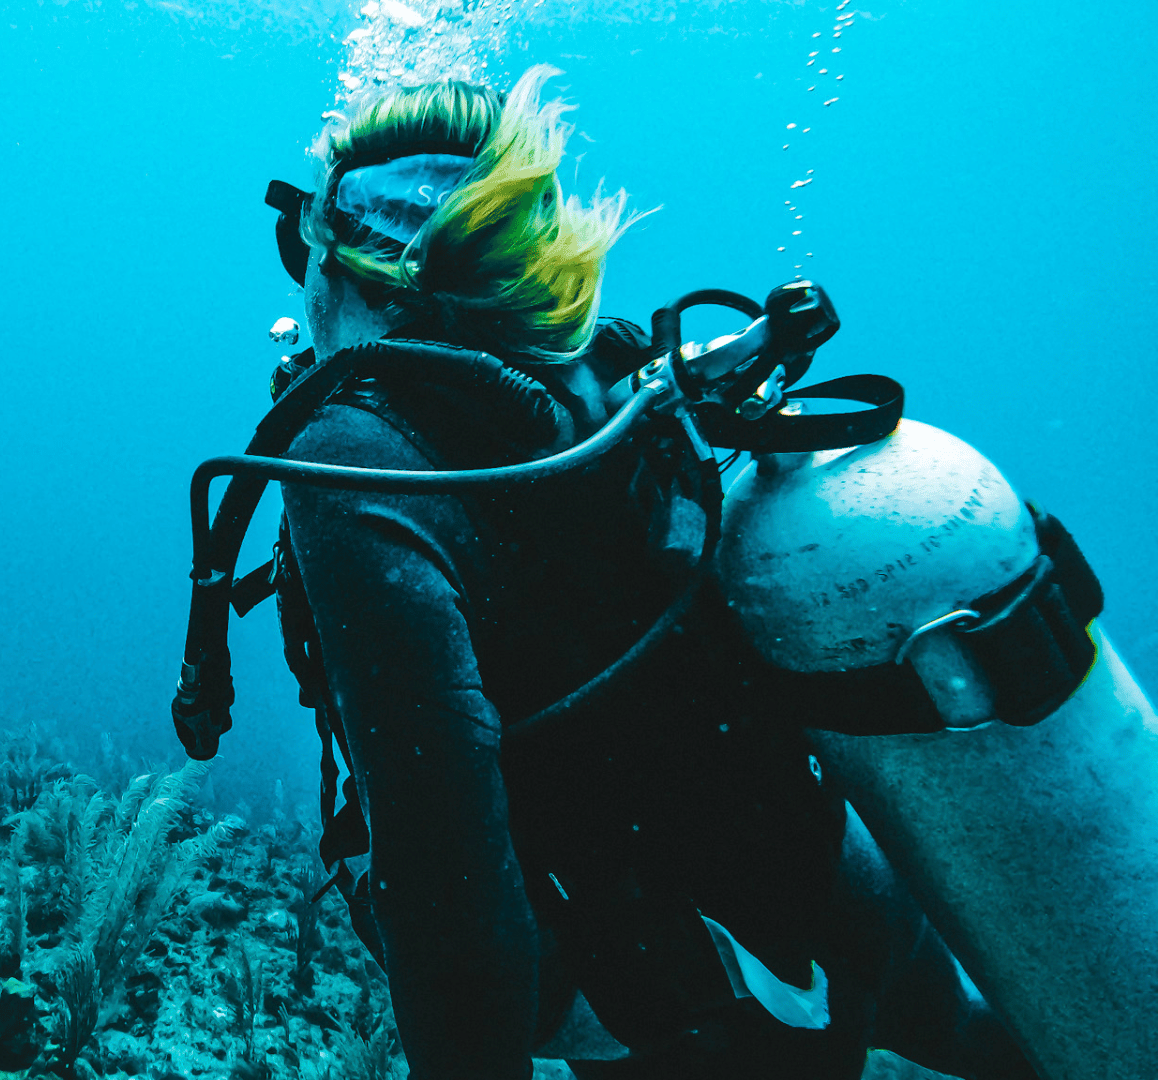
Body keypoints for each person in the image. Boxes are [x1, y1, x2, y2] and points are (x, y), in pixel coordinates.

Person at [262, 68, 1039, 1079]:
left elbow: (448, 876)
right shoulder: (608, 374)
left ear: (343, 257)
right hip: (820, 871)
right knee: (998, 1042)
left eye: (303, 251)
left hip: (658, 988)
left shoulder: (352, 457)